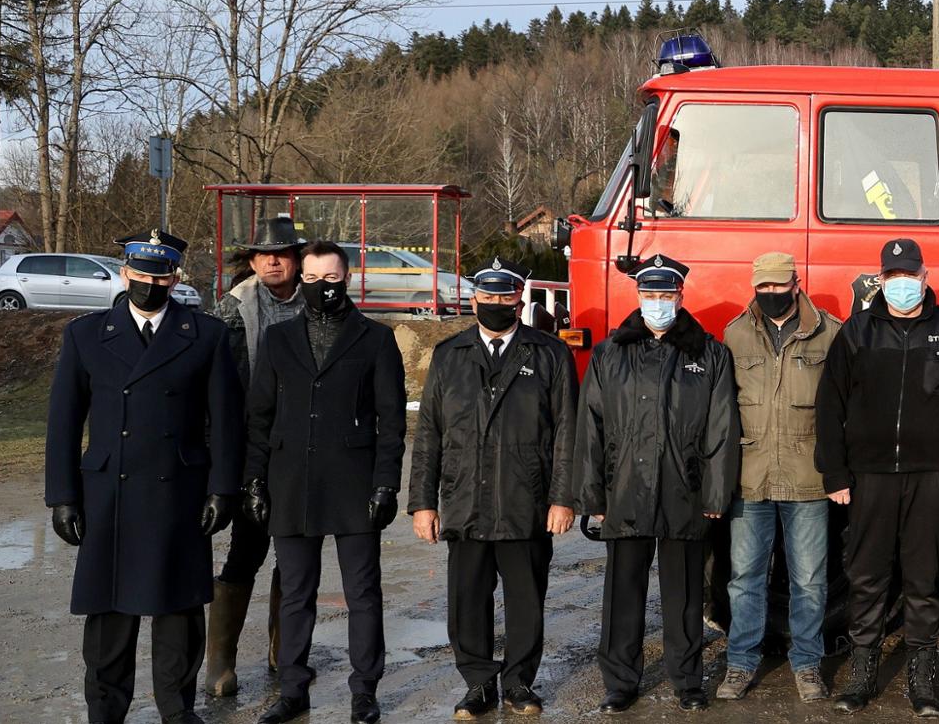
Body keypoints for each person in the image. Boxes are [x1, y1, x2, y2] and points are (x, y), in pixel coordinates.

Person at [46, 229, 243, 724]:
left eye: (160, 276)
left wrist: (223, 488)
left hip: (178, 490)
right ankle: (106, 709)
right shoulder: (86, 334)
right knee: (109, 608)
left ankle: (177, 709)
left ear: (174, 278)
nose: (149, 284)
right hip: (109, 492)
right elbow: (64, 422)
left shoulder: (206, 335)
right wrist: (63, 496)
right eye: (140, 274)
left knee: (178, 606)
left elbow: (226, 421)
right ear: (124, 273)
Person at [243, 240, 406, 724]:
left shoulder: (376, 339)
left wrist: (386, 484)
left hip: (354, 482)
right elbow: (259, 416)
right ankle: (293, 688)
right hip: (291, 481)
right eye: (311, 279)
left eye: (331, 279)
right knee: (295, 592)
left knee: (363, 592)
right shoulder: (278, 339)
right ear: (301, 281)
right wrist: (254, 480)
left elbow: (391, 421)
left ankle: (364, 690)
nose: (321, 287)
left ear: (348, 278)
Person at [407, 258, 579, 718]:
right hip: (465, 499)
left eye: (505, 296)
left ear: (519, 298)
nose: (496, 303)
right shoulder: (450, 354)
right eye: (488, 295)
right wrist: (423, 503)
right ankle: (478, 684)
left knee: (527, 601)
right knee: (467, 602)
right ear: (474, 299)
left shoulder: (549, 354)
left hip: (526, 499)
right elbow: (429, 434)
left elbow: (568, 431)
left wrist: (563, 497)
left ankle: (519, 683)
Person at [816, 238, 939, 716]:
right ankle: (862, 675)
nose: (902, 284)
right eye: (893, 276)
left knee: (924, 579)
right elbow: (830, 405)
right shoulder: (857, 332)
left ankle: (922, 679)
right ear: (880, 280)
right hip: (870, 476)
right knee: (867, 577)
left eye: (910, 275)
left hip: (933, 476)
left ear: (925, 278)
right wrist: (834, 472)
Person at [574, 254, 739, 713]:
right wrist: (592, 494)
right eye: (650, 294)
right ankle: (620, 683)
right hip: (625, 487)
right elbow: (590, 427)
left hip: (684, 488)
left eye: (666, 294)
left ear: (681, 296)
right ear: (639, 296)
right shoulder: (610, 352)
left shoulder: (709, 354)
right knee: (622, 593)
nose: (658, 302)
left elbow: (722, 428)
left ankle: (687, 680)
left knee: (684, 594)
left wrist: (715, 492)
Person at [717, 252, 842, 702]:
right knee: (745, 579)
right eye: (763, 287)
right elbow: (723, 410)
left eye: (779, 285)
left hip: (807, 477)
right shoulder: (735, 334)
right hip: (750, 478)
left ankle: (807, 666)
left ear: (796, 283)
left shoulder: (829, 332)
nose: (771, 293)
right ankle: (740, 664)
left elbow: (841, 408)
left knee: (809, 580)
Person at [205, 216, 305, 698]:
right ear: (251, 260)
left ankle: (284, 655)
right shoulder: (231, 308)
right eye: (264, 254)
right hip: (251, 449)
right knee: (246, 550)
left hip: (303, 449)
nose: (273, 262)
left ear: (297, 259)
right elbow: (214, 389)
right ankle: (220, 663)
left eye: (282, 253)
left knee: (296, 555)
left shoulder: (316, 304)